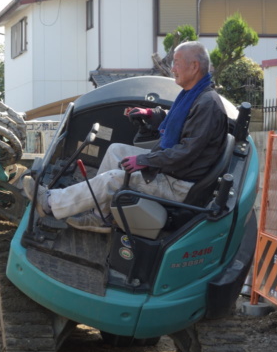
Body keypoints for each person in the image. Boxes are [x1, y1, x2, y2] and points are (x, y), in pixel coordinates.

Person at [23, 41, 230, 233]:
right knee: (116, 151)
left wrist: (143, 161)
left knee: (113, 179)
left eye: (176, 63)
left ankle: (50, 203)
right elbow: (181, 120)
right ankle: (100, 216)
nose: (173, 69)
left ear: (194, 67)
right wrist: (152, 114)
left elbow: (187, 152)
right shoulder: (194, 95)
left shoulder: (207, 104)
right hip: (174, 169)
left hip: (177, 184)